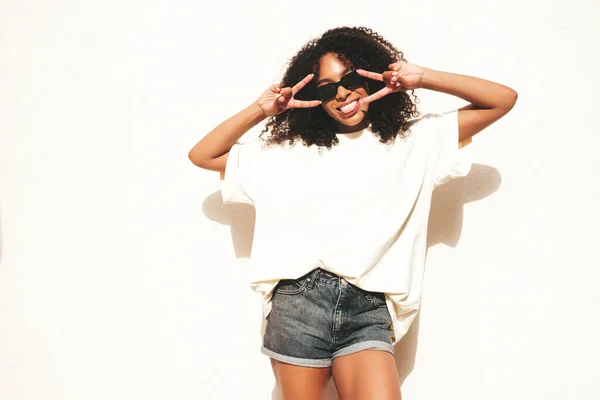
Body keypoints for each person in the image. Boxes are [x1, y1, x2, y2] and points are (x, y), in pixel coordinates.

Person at [188, 26, 517, 400]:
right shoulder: (286, 153)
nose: (342, 93)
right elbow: (203, 155)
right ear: (313, 96)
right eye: (326, 88)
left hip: (369, 309)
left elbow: (502, 100)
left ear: (370, 74)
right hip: (298, 303)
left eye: (350, 79)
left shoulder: (416, 141)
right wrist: (261, 110)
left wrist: (421, 78)